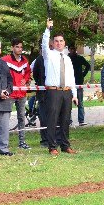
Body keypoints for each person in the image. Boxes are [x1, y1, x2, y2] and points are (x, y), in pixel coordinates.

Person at [42, 19, 78, 156]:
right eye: (56, 41)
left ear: (64, 43)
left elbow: (71, 78)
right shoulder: (49, 55)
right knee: (52, 119)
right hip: (54, 92)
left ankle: (65, 145)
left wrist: (74, 94)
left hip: (67, 92)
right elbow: (44, 45)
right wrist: (48, 29)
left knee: (65, 120)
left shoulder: (67, 58)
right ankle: (52, 147)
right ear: (53, 43)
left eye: (61, 41)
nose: (59, 43)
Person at [2, 38, 32, 150]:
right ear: (12, 47)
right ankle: (4, 143)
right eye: (17, 46)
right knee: (5, 118)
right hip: (9, 94)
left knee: (22, 118)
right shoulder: (5, 60)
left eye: (21, 47)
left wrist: (26, 79)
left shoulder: (25, 61)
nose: (19, 49)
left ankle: (22, 142)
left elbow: (28, 72)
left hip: (22, 94)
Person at [68, 46, 90, 126]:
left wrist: (82, 75)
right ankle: (68, 121)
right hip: (69, 83)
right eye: (71, 49)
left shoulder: (80, 58)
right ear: (69, 49)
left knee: (80, 102)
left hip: (78, 82)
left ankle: (81, 120)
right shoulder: (67, 58)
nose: (72, 50)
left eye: (74, 49)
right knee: (68, 103)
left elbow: (88, 65)